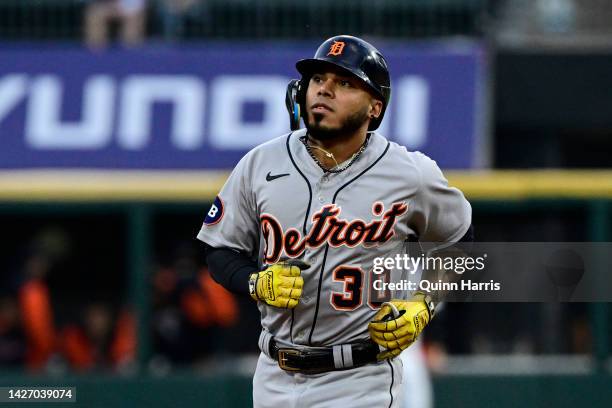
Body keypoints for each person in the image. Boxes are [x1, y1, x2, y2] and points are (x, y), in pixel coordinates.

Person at [197, 35, 472, 407]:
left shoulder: (410, 174)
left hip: (360, 378)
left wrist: (424, 304)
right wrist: (255, 281)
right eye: (318, 80)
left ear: (375, 108)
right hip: (273, 376)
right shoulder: (260, 164)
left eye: (344, 83)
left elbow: (459, 239)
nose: (324, 90)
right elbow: (219, 249)